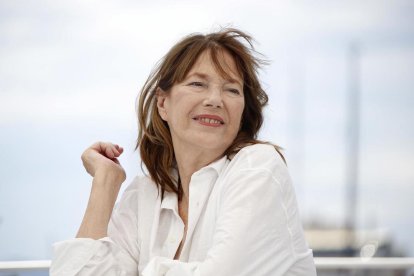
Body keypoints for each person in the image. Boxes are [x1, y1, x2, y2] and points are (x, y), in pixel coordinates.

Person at [50, 28, 317, 276]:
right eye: (197, 84)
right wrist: (105, 183)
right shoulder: (145, 195)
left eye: (232, 89)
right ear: (163, 103)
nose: (215, 99)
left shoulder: (258, 168)